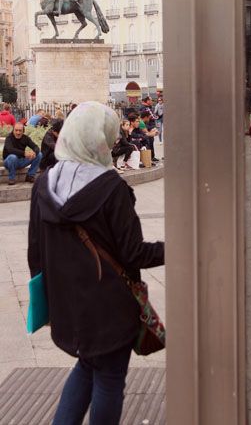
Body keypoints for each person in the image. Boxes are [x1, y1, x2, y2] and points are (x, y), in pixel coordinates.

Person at [27, 101, 164, 425]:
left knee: (88, 365)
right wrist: (177, 248)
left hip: (67, 304)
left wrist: (47, 299)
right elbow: (133, 253)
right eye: (109, 137)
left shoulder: (43, 184)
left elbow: (35, 252)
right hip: (109, 307)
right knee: (109, 376)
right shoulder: (112, 188)